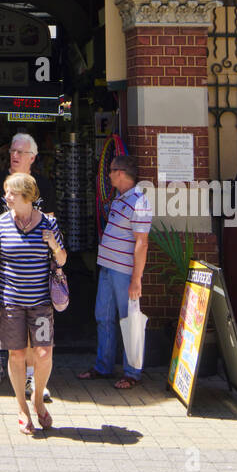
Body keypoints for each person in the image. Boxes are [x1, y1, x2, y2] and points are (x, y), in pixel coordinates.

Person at [0, 133, 58, 390]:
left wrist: (56, 262)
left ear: (33, 157)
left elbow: (52, 227)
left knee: (32, 318)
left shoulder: (44, 185)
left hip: (35, 266)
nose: (14, 155)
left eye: (20, 152)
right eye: (12, 150)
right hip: (1, 262)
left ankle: (31, 373)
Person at [0, 173, 66, 434]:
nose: (6, 197)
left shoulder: (48, 223)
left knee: (44, 353)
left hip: (41, 303)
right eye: (6, 192)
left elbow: (62, 260)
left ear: (27, 196)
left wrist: (54, 245)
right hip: (10, 304)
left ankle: (37, 398)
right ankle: (22, 408)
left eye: (12, 193)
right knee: (16, 354)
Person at [77, 154, 153, 390]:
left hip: (123, 272)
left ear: (120, 173)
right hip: (109, 269)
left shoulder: (139, 201)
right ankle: (104, 366)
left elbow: (142, 242)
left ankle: (133, 373)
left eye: (110, 170)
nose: (107, 174)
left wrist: (136, 279)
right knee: (104, 317)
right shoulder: (121, 199)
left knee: (130, 321)